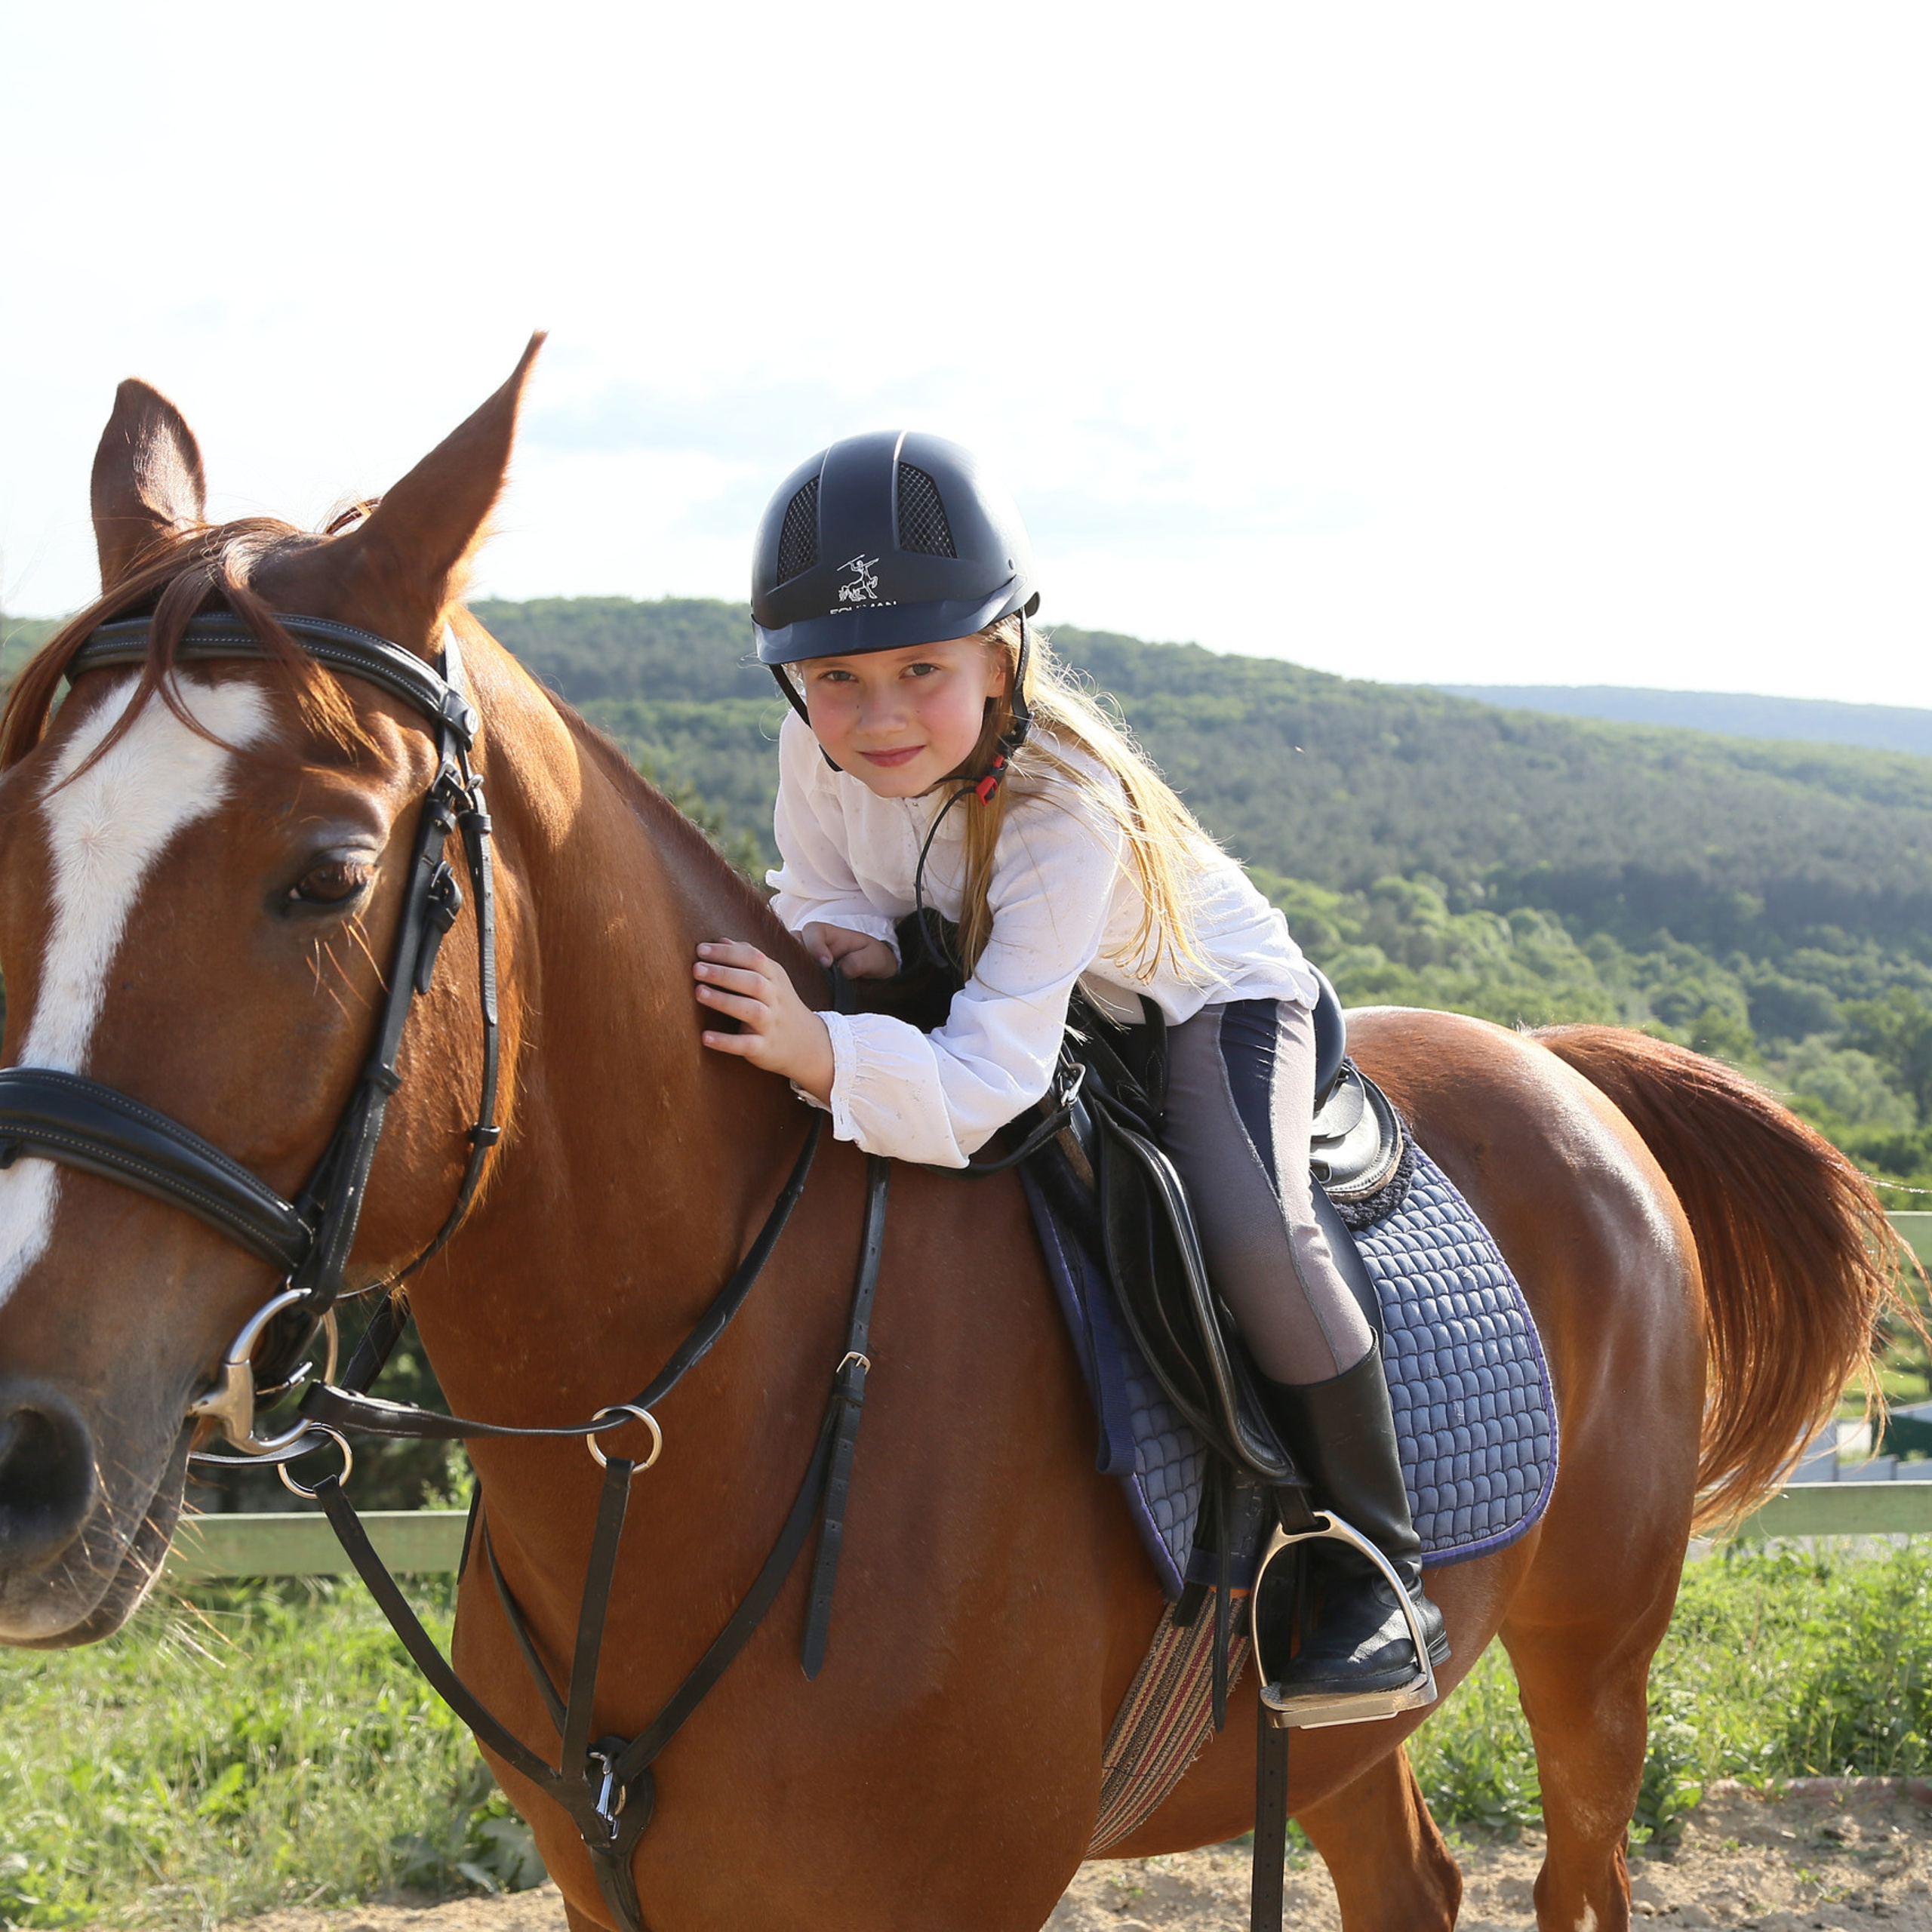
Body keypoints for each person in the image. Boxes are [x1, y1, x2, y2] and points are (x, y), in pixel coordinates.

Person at [689, 431, 1447, 1704]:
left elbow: (993, 1086)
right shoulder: (818, 750)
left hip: (1201, 1004)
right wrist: (850, 951)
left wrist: (824, 1048)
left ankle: (1381, 1562)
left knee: (1254, 1221)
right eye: (836, 678)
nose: (875, 717)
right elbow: (827, 885)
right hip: (1011, 974)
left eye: (921, 670)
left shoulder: (1061, 804)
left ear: (1001, 655)